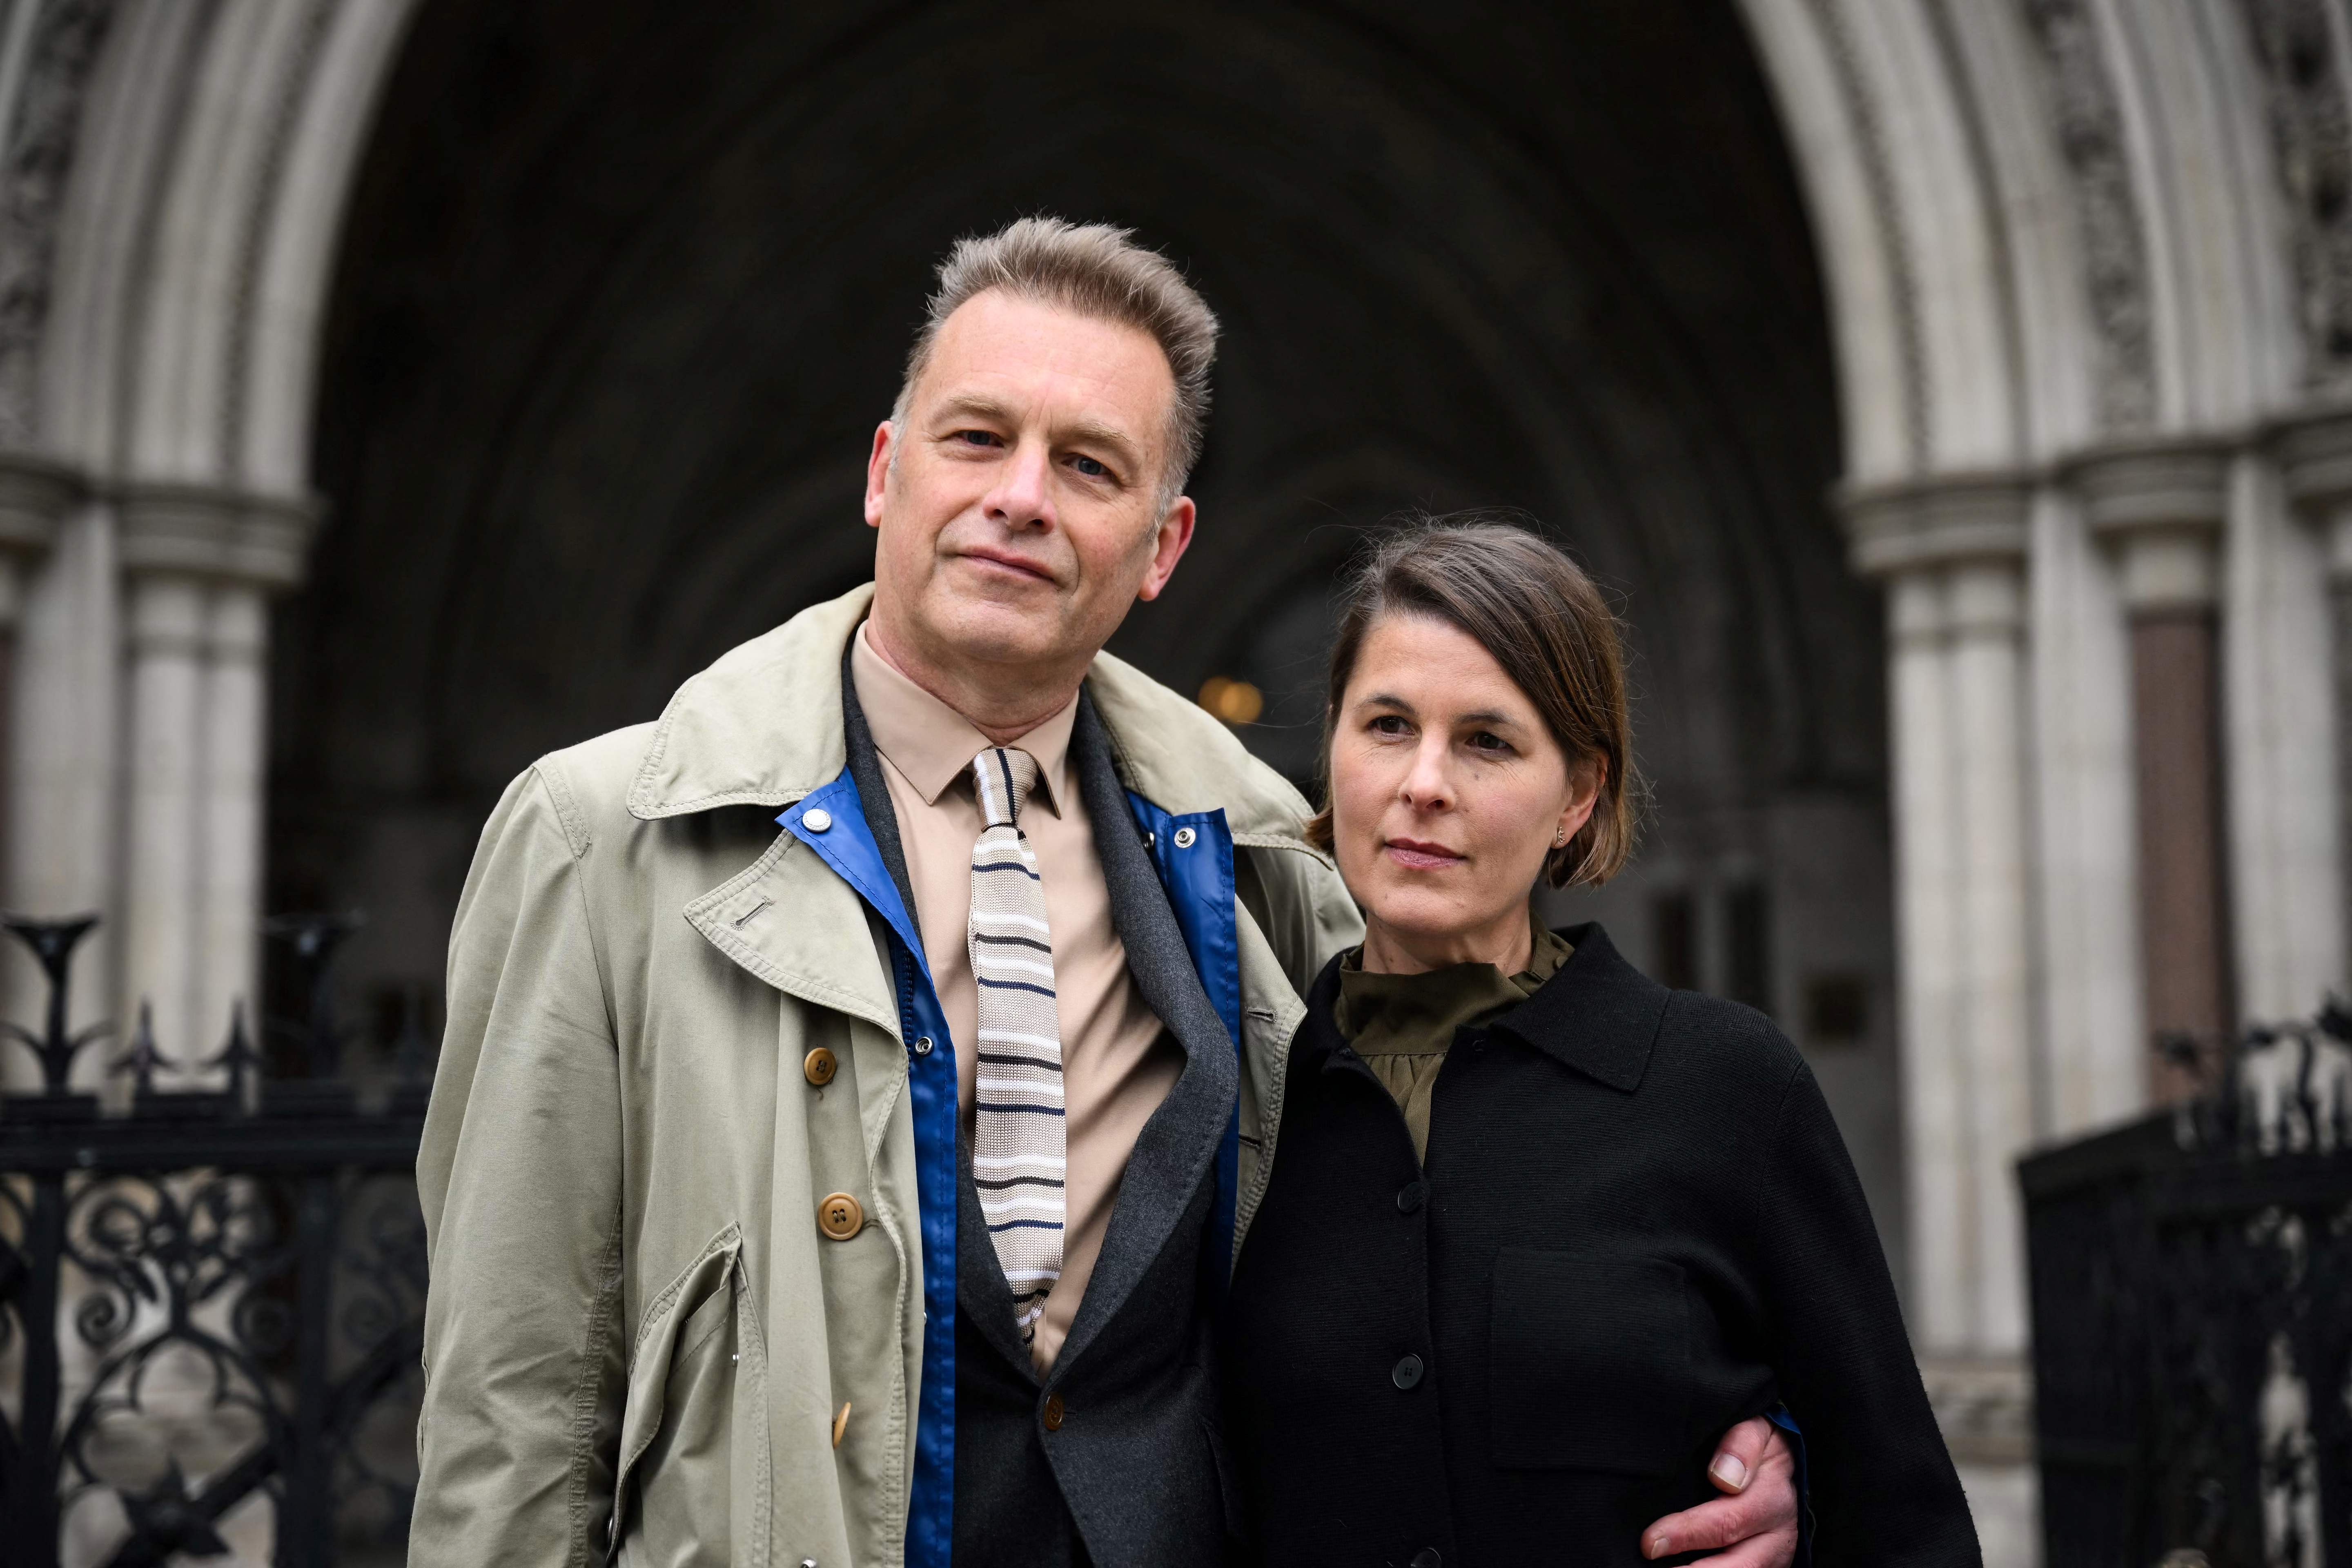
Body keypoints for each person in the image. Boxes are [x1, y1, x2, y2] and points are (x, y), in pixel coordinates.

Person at [410, 220, 1806, 1566]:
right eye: (977, 439)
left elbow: (1502, 1203)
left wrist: (1743, 1441)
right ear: (887, 471)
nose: (1021, 496)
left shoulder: (1270, 865)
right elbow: (520, 1401)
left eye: (1088, 465)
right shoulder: (607, 840)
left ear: (1164, 545)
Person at [1218, 519, 1980, 1566]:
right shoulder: (1238, 1107)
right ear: (1334, 752)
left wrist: (1796, 1526)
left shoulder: (1724, 1089)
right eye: (1387, 725)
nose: (1424, 783)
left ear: (1578, 795)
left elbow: (1903, 1519)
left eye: (1488, 741)